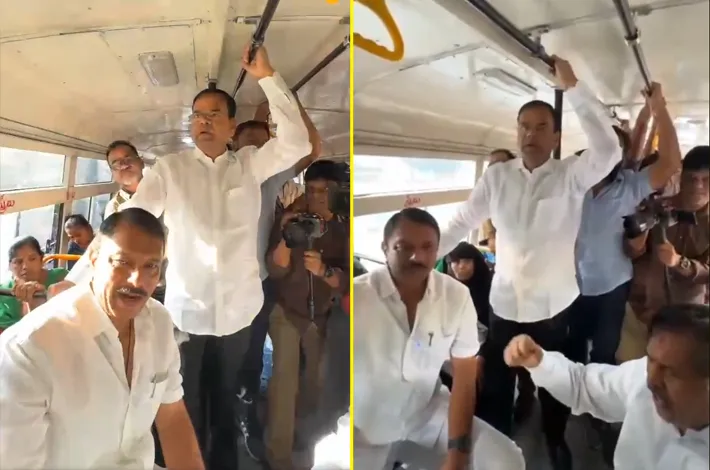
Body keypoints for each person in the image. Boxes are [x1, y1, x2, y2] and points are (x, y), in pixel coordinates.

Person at [57, 44, 312, 469]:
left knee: (226, 402)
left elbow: (298, 141)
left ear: (231, 126)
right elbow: (127, 225)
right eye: (197, 116)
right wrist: (76, 279)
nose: (204, 122)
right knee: (183, 403)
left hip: (239, 313)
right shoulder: (170, 171)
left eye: (214, 115)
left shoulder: (251, 165)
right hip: (186, 316)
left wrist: (267, 76)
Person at [433, 56, 622, 468]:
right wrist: (426, 253)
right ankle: (497, 448)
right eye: (524, 126)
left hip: (552, 309)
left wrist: (574, 88)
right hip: (504, 305)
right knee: (497, 384)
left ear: (555, 137)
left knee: (553, 382)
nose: (530, 134)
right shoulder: (497, 177)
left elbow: (609, 150)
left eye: (540, 127)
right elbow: (462, 221)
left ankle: (554, 440)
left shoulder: (571, 175)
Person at [0, 208, 204, 469]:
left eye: (150, 266)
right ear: (94, 260)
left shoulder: (159, 321)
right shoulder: (29, 349)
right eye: (122, 262)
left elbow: (172, 415)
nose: (137, 280)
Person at [353, 208, 525, 470]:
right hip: (364, 426)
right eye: (403, 247)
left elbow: (464, 378)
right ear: (384, 248)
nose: (417, 256)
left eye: (427, 247)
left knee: (506, 461)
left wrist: (457, 454)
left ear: (437, 251)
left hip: (426, 413)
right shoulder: (358, 297)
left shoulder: (455, 296)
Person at [504, 303, 710, 470]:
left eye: (669, 371)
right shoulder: (640, 378)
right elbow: (584, 386)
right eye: (651, 360)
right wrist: (540, 362)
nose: (652, 380)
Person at [570, 82, 682, 367]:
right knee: (571, 350)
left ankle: (598, 395)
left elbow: (669, 162)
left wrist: (658, 109)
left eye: (614, 149)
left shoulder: (630, 186)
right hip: (572, 283)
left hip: (613, 286)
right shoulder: (573, 180)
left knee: (604, 354)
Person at [231, 115, 320, 459]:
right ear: (235, 147)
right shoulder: (219, 175)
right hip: (224, 285)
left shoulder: (272, 177)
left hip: (260, 282)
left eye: (262, 143)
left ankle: (247, 411)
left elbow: (312, 148)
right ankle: (223, 413)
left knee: (252, 352)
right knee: (224, 354)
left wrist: (287, 100)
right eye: (248, 143)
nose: (255, 150)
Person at [265, 160, 349, 469]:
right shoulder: (292, 218)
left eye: (325, 191)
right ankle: (279, 457)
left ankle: (304, 435)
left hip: (322, 314)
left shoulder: (344, 226)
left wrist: (324, 271)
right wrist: (287, 235)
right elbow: (275, 269)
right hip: (287, 311)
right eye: (312, 190)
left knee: (316, 381)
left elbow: (346, 282)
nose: (317, 197)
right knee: (284, 383)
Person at [618, 145, 709, 362]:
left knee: (674, 374)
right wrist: (637, 239)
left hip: (685, 319)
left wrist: (680, 263)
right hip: (641, 311)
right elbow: (630, 253)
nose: (697, 186)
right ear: (681, 177)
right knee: (626, 370)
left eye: (706, 180)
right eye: (692, 178)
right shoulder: (657, 207)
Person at [0, 236, 68, 333]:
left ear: (41, 259)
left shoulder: (61, 278)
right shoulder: (4, 294)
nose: (25, 266)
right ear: (10, 266)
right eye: (18, 262)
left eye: (32, 259)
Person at [479, 149, 516, 254]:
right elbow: (484, 212)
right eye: (491, 166)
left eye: (500, 164)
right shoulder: (488, 190)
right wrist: (491, 236)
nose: (495, 169)